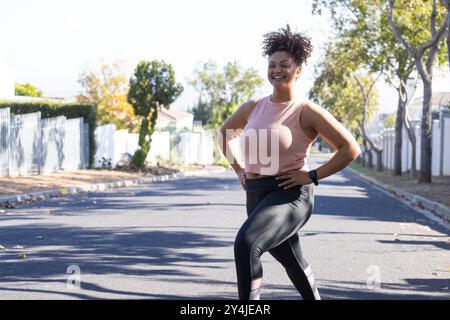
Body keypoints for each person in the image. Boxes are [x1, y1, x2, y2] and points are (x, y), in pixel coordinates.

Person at [219, 25, 361, 300]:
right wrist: (239, 169)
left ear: (298, 69)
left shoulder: (306, 111)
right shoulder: (253, 107)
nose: (277, 70)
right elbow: (225, 134)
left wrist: (312, 175)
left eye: (285, 64)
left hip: (290, 195)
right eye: (272, 65)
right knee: (291, 259)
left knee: (247, 244)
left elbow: (349, 148)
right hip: (256, 194)